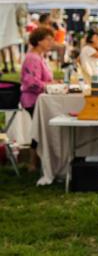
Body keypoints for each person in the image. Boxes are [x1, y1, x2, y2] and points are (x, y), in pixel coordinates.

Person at [20, 27, 55, 171]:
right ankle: (33, 163)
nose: (51, 42)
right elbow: (32, 82)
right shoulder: (33, 58)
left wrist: (52, 84)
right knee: (39, 129)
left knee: (40, 129)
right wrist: (50, 86)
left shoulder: (39, 56)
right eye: (48, 39)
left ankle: (36, 162)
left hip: (39, 99)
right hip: (32, 100)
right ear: (39, 41)